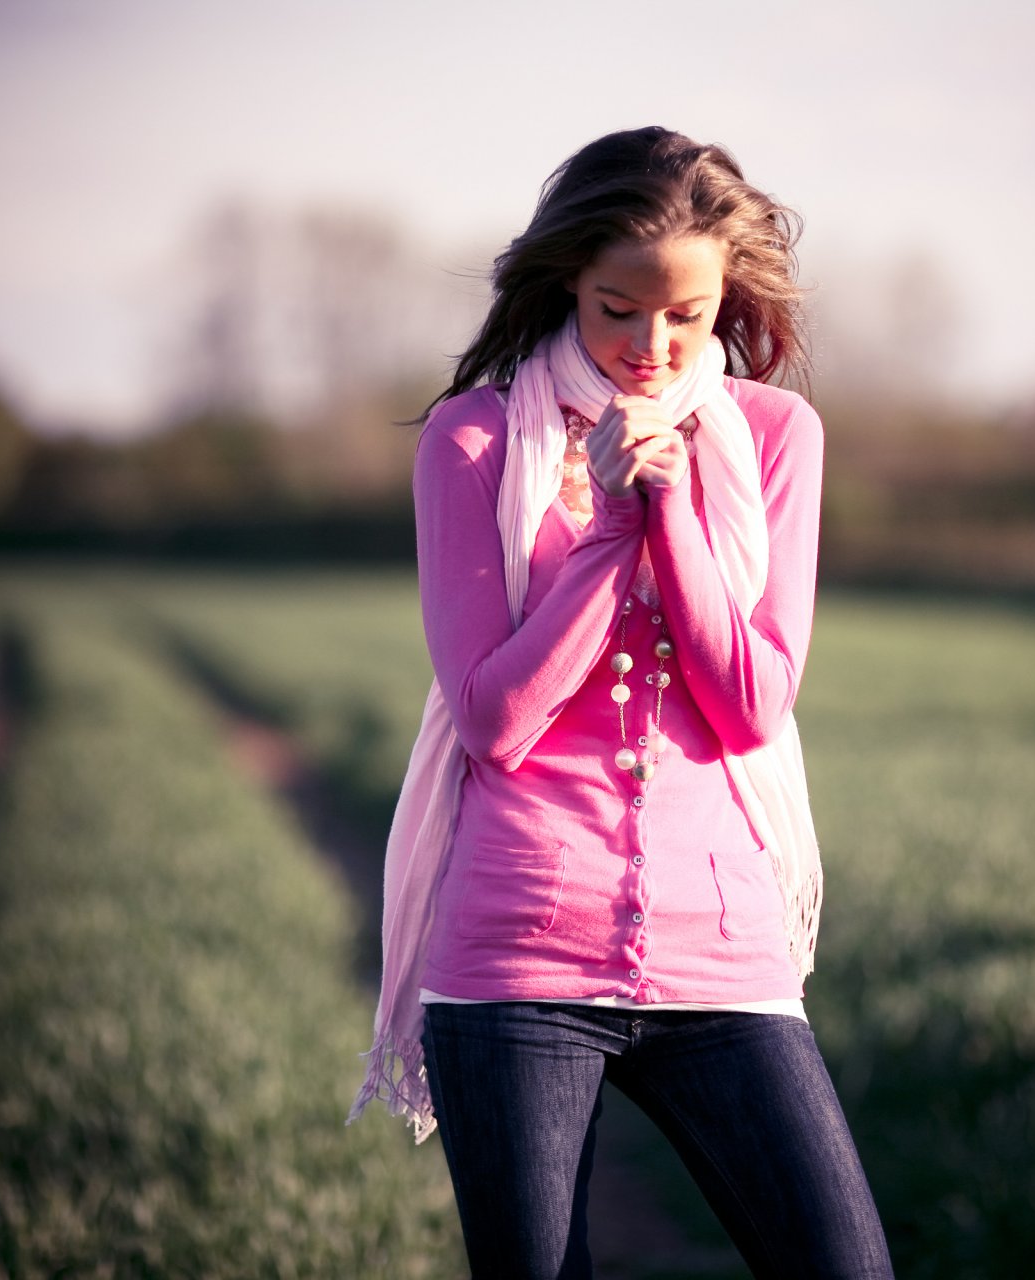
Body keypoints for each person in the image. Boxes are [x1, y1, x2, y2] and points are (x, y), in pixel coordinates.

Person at [350, 126, 893, 1279]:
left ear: (725, 301)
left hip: (726, 953)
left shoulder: (777, 438)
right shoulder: (475, 440)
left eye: (687, 315)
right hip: (514, 957)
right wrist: (608, 527)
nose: (652, 343)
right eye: (616, 308)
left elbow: (751, 704)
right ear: (565, 285)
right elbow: (496, 719)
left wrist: (674, 510)